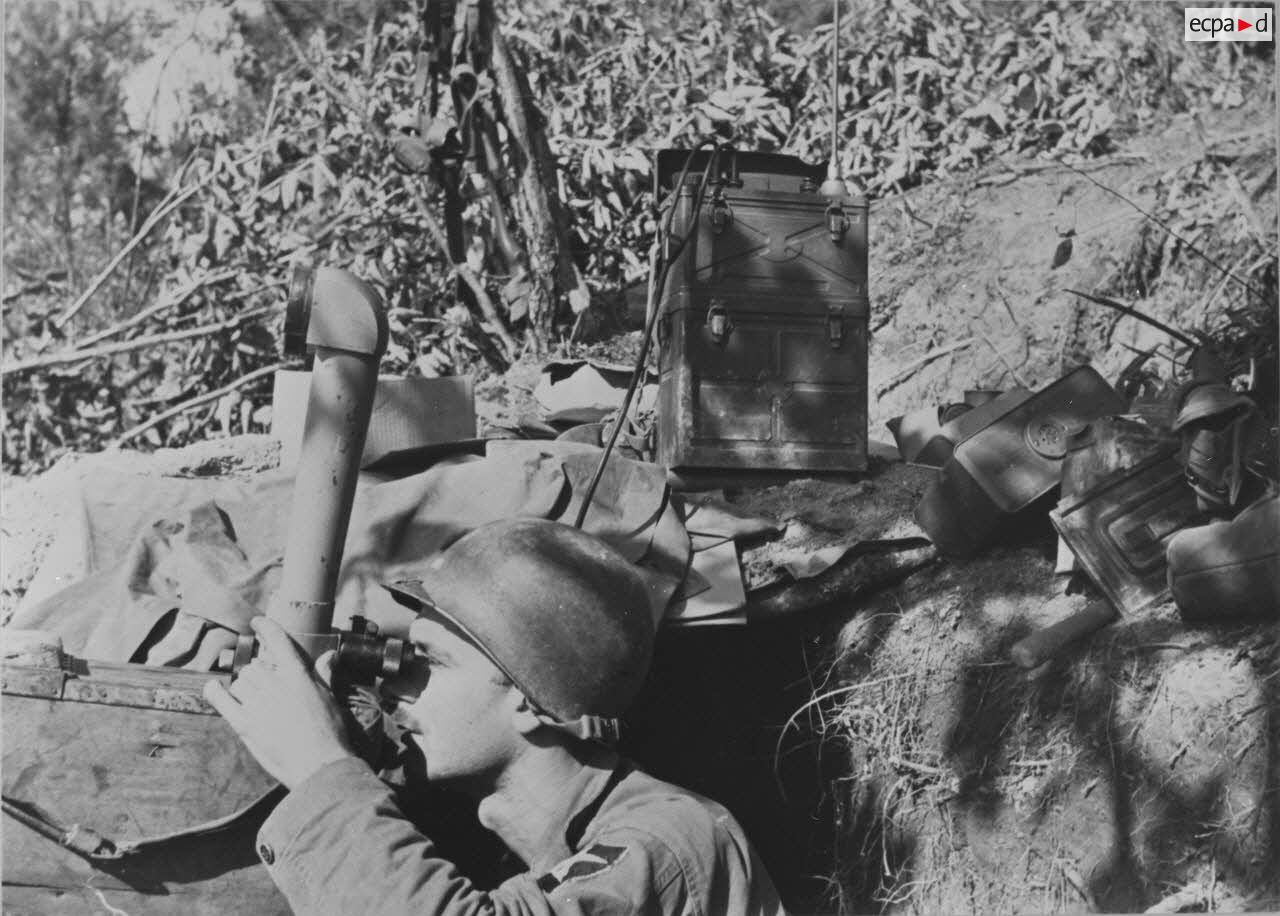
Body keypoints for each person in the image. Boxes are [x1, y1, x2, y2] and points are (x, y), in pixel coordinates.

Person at [205, 517, 787, 915]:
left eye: (430, 662)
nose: (396, 687)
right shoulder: (513, 842)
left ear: (530, 702)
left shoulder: (673, 840)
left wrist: (323, 773)